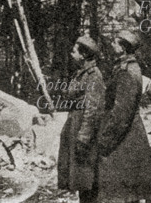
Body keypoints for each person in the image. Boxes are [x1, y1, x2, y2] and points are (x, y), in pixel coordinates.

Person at [97, 30, 151, 203]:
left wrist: (106, 140)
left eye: (115, 43)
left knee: (121, 192)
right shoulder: (126, 67)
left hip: (125, 138)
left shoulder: (126, 71)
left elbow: (122, 112)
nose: (111, 45)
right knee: (129, 192)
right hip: (129, 135)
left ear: (123, 48)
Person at [57, 36, 106, 203]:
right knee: (80, 179)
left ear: (83, 55)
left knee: (87, 180)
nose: (72, 54)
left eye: (74, 51)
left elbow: (93, 109)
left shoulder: (94, 75)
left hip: (84, 132)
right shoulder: (81, 74)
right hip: (75, 126)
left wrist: (84, 137)